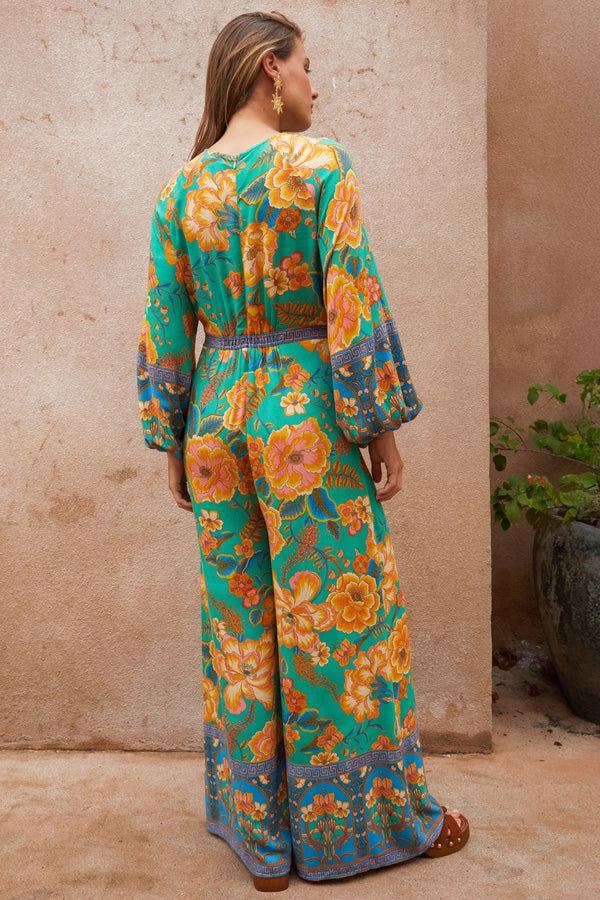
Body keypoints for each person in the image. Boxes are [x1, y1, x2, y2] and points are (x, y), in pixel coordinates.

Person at [137, 10, 470, 892]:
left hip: (214, 417)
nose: (316, 86)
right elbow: (351, 298)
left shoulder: (181, 190)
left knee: (242, 625)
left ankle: (262, 841)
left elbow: (166, 326)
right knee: (341, 623)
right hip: (302, 420)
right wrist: (380, 428)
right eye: (307, 67)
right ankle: (359, 826)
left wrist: (168, 441)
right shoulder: (320, 166)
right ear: (267, 71)